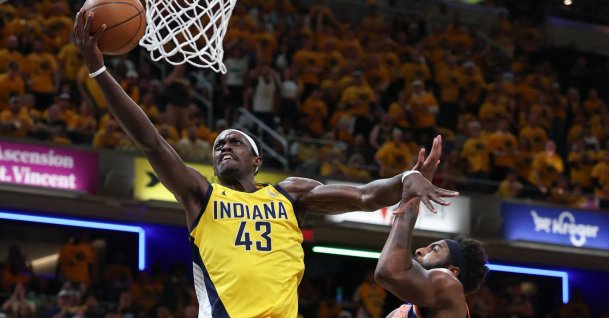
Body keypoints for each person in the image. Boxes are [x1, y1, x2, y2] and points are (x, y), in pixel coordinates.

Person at [74, 10, 456, 317]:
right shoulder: (200, 196)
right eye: (218, 145)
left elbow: (364, 196)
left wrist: (408, 177)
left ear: (256, 160)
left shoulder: (291, 194)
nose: (223, 146)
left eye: (234, 141)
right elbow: (151, 141)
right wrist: (99, 72)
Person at [375, 136, 489, 318]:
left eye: (434, 249)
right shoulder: (400, 313)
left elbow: (388, 271)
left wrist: (410, 198)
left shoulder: (449, 285)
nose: (419, 251)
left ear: (453, 271)